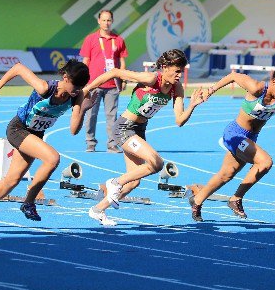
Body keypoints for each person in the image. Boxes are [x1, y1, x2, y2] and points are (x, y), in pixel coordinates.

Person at [86, 49, 206, 226]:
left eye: (182, 70)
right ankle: (115, 182)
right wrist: (87, 88)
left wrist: (193, 105)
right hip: (124, 128)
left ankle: (97, 210)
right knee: (157, 163)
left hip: (139, 130)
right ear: (165, 67)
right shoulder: (150, 79)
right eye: (177, 70)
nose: (180, 74)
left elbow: (179, 120)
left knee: (134, 183)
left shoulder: (176, 87)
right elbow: (115, 72)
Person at [188, 53, 275, 221]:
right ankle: (236, 198)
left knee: (226, 175)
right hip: (235, 134)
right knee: (265, 162)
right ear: (274, 81)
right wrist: (210, 91)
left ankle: (197, 200)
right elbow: (233, 76)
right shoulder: (257, 88)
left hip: (250, 138)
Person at [0, 60, 96, 228]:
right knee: (53, 158)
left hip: (35, 134)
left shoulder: (77, 95)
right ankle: (29, 202)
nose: (76, 91)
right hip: (18, 129)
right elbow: (17, 67)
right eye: (75, 86)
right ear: (66, 78)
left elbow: (74, 130)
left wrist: (82, 109)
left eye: (80, 87)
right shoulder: (45, 88)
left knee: (12, 179)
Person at [79, 10, 128, 153]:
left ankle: (112, 144)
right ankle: (90, 143)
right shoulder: (90, 39)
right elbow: (86, 61)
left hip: (112, 85)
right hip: (94, 84)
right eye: (104, 20)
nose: (106, 23)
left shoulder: (118, 40)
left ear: (112, 21)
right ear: (98, 21)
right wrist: (83, 81)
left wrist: (123, 79)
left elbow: (122, 62)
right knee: (90, 115)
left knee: (112, 116)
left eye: (109, 20)